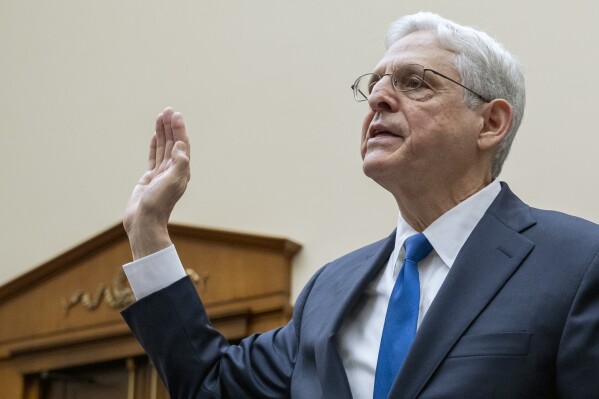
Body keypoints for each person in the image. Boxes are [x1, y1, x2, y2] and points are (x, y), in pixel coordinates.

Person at [121, 11, 599, 399]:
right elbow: (212, 386)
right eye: (374, 84)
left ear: (491, 123)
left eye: (414, 82)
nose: (378, 98)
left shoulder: (577, 263)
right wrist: (149, 233)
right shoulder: (329, 290)